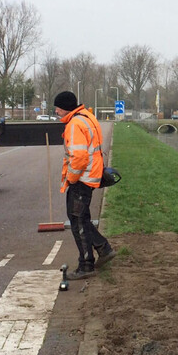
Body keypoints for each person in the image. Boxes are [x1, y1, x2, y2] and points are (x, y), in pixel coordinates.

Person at [53, 91, 117, 279]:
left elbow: (79, 158)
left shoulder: (74, 124)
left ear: (65, 107)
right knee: (82, 218)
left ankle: (86, 265)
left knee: (77, 221)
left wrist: (71, 179)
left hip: (81, 179)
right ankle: (103, 249)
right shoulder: (87, 117)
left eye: (57, 107)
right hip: (91, 176)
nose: (56, 111)